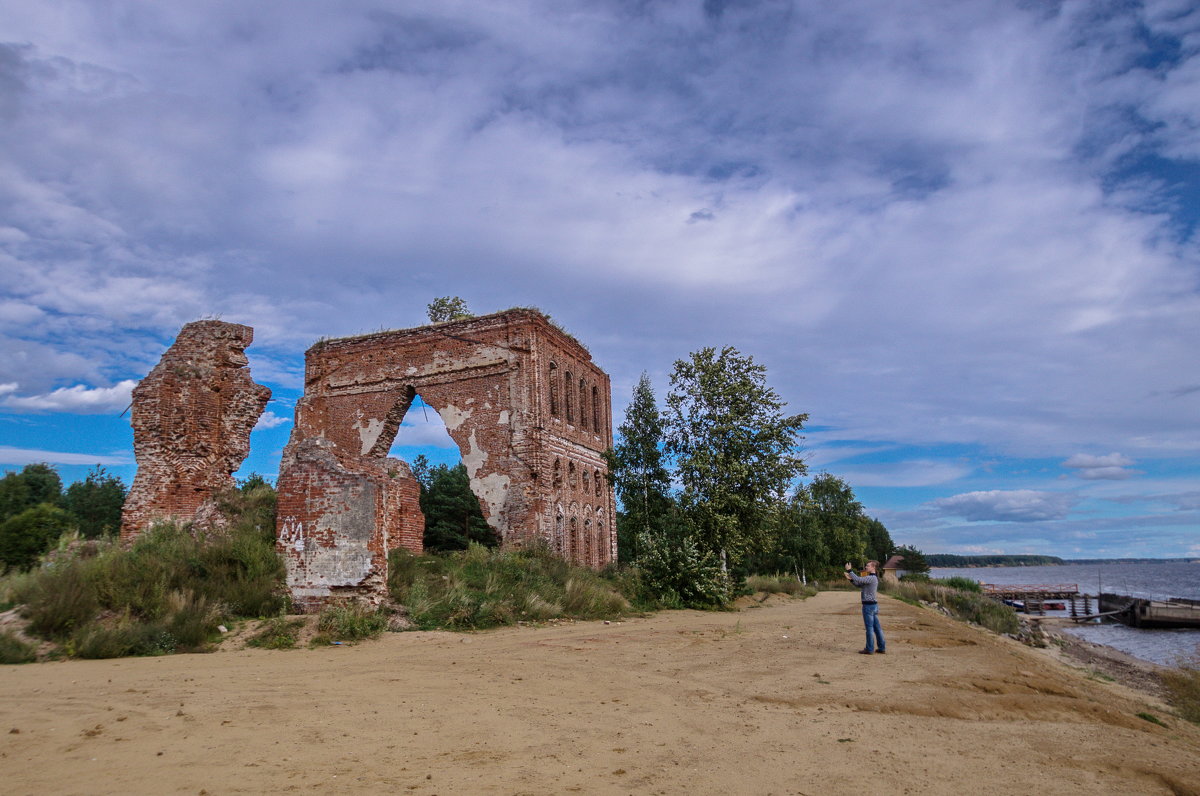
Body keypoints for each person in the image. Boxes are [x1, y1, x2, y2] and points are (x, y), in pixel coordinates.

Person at [844, 560, 886, 654]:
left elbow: (859, 579)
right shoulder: (871, 578)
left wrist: (850, 571)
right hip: (873, 606)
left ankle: (870, 649)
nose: (866, 567)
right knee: (877, 628)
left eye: (868, 566)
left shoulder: (871, 578)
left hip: (868, 606)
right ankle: (881, 647)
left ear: (873, 567)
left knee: (870, 629)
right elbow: (859, 585)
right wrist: (850, 579)